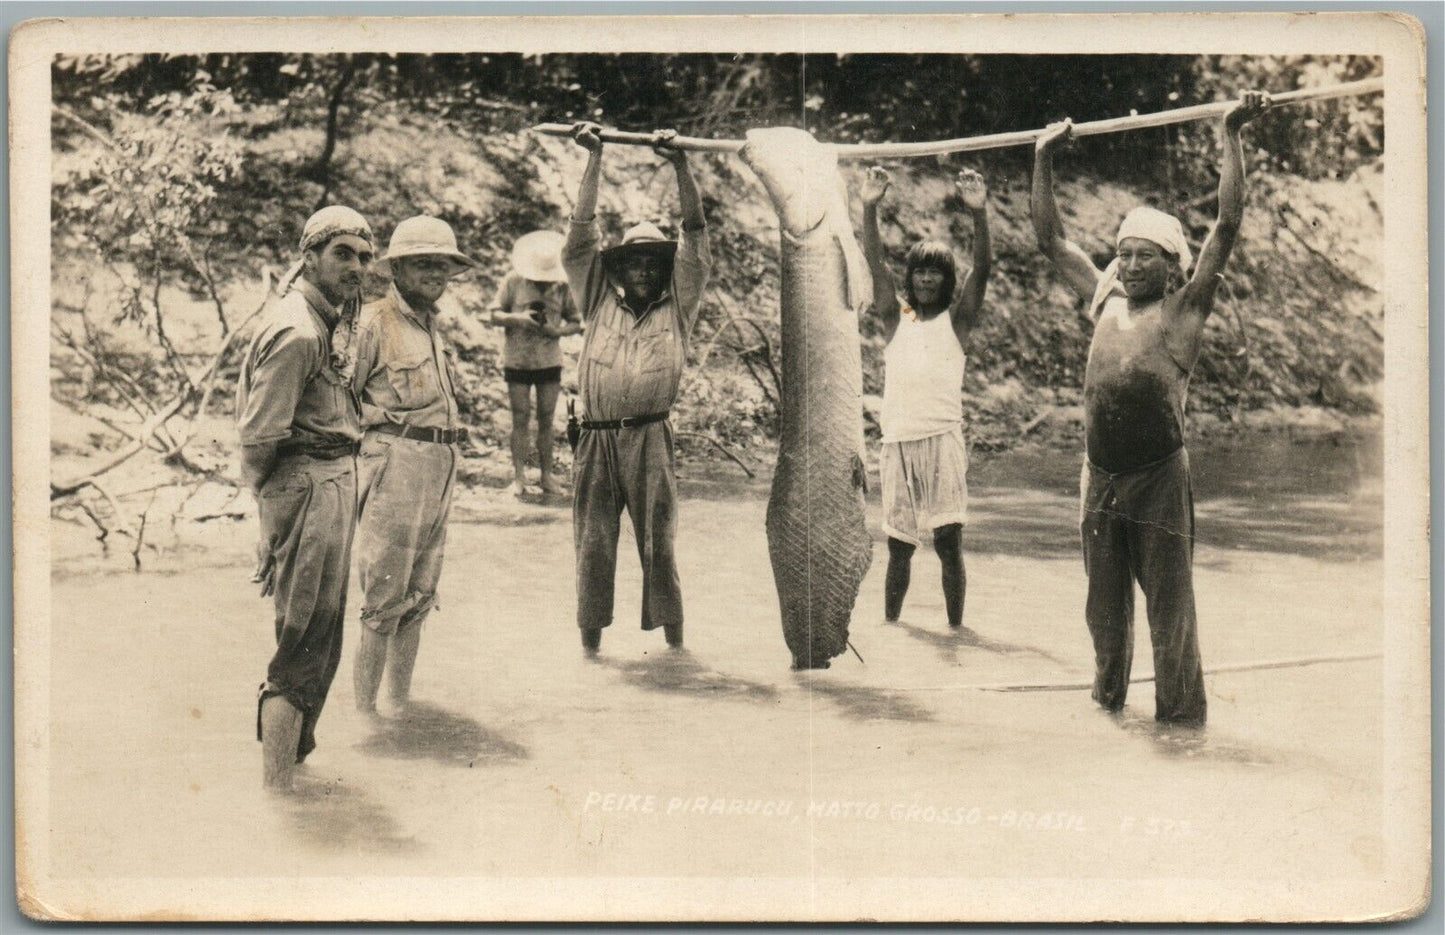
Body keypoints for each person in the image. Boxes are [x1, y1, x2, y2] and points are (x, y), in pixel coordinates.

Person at [1030, 90, 1271, 726]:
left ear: (1172, 266)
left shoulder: (1183, 313)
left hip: (1160, 479)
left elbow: (1226, 228)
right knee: (1103, 611)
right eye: (1125, 254)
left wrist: (1231, 134)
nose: (1131, 265)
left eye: (1146, 257)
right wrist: (1042, 156)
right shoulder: (1105, 296)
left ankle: (1181, 725)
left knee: (1169, 610)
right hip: (1099, 477)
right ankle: (1107, 709)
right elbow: (1051, 239)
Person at [237, 205, 373, 791]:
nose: (356, 267)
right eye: (343, 254)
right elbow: (260, 437)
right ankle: (278, 798)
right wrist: (271, 518)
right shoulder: (297, 331)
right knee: (300, 645)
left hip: (331, 483)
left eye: (364, 257)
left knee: (321, 639)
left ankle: (291, 785)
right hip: (307, 485)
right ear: (309, 256)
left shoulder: (329, 320)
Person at [562, 121, 711, 656]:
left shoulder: (680, 304)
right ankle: (590, 657)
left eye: (654, 261)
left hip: (650, 439)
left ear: (665, 268)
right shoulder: (598, 297)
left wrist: (681, 165)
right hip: (595, 439)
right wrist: (594, 158)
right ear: (620, 269)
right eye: (635, 261)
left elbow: (695, 236)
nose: (645, 269)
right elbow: (580, 237)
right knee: (592, 546)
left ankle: (676, 656)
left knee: (660, 546)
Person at [349, 216, 474, 714]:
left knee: (421, 594)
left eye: (442, 266)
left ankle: (400, 706)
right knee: (383, 597)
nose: (435, 276)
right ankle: (364, 716)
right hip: (395, 465)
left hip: (440, 465)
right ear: (396, 269)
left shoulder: (431, 324)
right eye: (423, 264)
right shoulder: (373, 323)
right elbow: (342, 400)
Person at [860, 166, 992, 631]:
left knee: (949, 542)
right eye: (919, 272)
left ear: (946, 280)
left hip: (943, 440)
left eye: (936, 273)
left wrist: (978, 213)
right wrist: (870, 205)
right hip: (897, 442)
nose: (926, 281)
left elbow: (983, 270)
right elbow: (874, 265)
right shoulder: (896, 320)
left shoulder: (957, 323)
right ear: (911, 277)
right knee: (898, 546)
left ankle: (956, 633)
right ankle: (891, 630)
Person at [488, 230, 583, 497]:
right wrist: (519, 319)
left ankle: (546, 476)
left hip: (548, 361)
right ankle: (518, 477)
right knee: (520, 418)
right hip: (517, 360)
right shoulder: (513, 281)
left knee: (546, 419)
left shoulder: (562, 287)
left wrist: (557, 331)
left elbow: (576, 322)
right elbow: (493, 314)